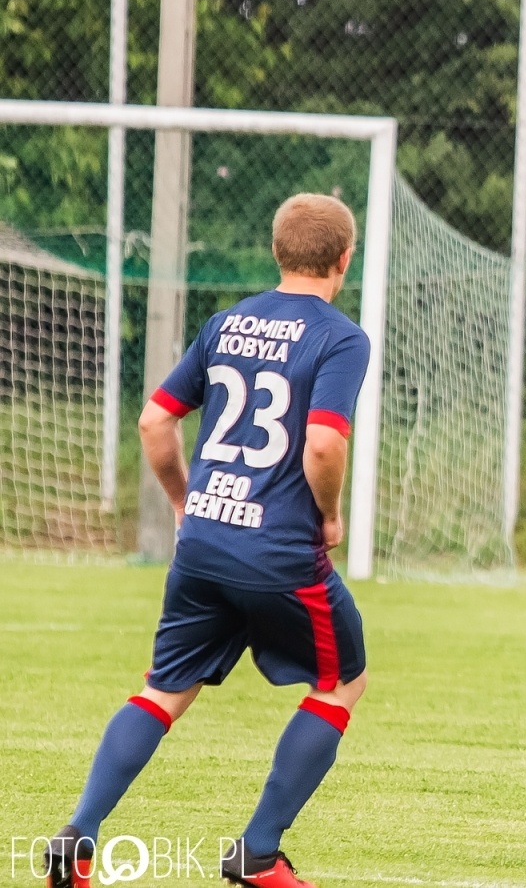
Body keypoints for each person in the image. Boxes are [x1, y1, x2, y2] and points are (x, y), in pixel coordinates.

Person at [45, 193, 372, 888]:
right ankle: (258, 854)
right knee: (342, 681)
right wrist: (333, 516)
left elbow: (155, 423)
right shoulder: (341, 337)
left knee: (165, 689)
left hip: (203, 543)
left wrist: (184, 503)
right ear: (345, 259)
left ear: (277, 252)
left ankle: (78, 836)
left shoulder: (226, 323)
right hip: (280, 550)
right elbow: (320, 445)